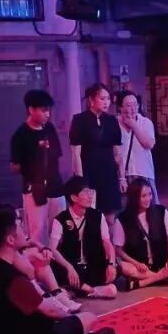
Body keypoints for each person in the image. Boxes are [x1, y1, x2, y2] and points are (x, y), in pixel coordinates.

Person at [0, 209, 115, 334]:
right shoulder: (13, 279)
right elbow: (51, 311)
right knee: (88, 317)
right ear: (10, 239)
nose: (24, 231)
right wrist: (71, 321)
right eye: (20, 227)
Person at [113, 178, 168, 290]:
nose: (148, 199)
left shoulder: (161, 211)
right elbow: (118, 250)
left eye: (150, 194)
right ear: (135, 198)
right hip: (140, 267)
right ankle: (165, 277)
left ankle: (142, 283)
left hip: (162, 262)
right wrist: (137, 263)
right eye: (143, 196)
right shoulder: (123, 219)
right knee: (123, 267)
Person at [11, 89, 65, 246]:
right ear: (31, 109)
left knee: (59, 228)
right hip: (34, 189)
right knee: (38, 231)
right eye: (43, 110)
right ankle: (39, 259)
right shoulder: (21, 135)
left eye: (48, 110)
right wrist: (33, 160)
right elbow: (14, 167)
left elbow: (57, 155)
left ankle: (58, 258)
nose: (47, 114)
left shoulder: (50, 129)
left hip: (55, 186)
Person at [49, 176, 119, 298]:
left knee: (117, 267)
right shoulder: (60, 219)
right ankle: (93, 291)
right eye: (85, 192)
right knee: (54, 266)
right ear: (74, 197)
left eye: (90, 192)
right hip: (73, 267)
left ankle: (77, 290)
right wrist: (69, 267)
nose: (90, 196)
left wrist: (111, 264)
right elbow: (53, 249)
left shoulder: (98, 216)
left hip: (93, 265)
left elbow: (107, 242)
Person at [70, 83, 125, 227]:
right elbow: (76, 153)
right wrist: (81, 180)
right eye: (102, 98)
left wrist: (122, 177)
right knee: (90, 217)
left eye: (108, 99)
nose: (106, 102)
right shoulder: (79, 120)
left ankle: (109, 241)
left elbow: (118, 152)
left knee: (110, 218)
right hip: (89, 173)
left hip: (109, 173)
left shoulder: (112, 121)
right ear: (91, 99)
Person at [115, 90, 159, 203]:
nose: (133, 108)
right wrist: (121, 177)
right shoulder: (114, 123)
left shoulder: (145, 122)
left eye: (135, 104)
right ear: (120, 107)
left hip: (143, 172)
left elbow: (149, 144)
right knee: (127, 207)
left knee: (149, 207)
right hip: (123, 174)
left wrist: (134, 126)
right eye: (129, 105)